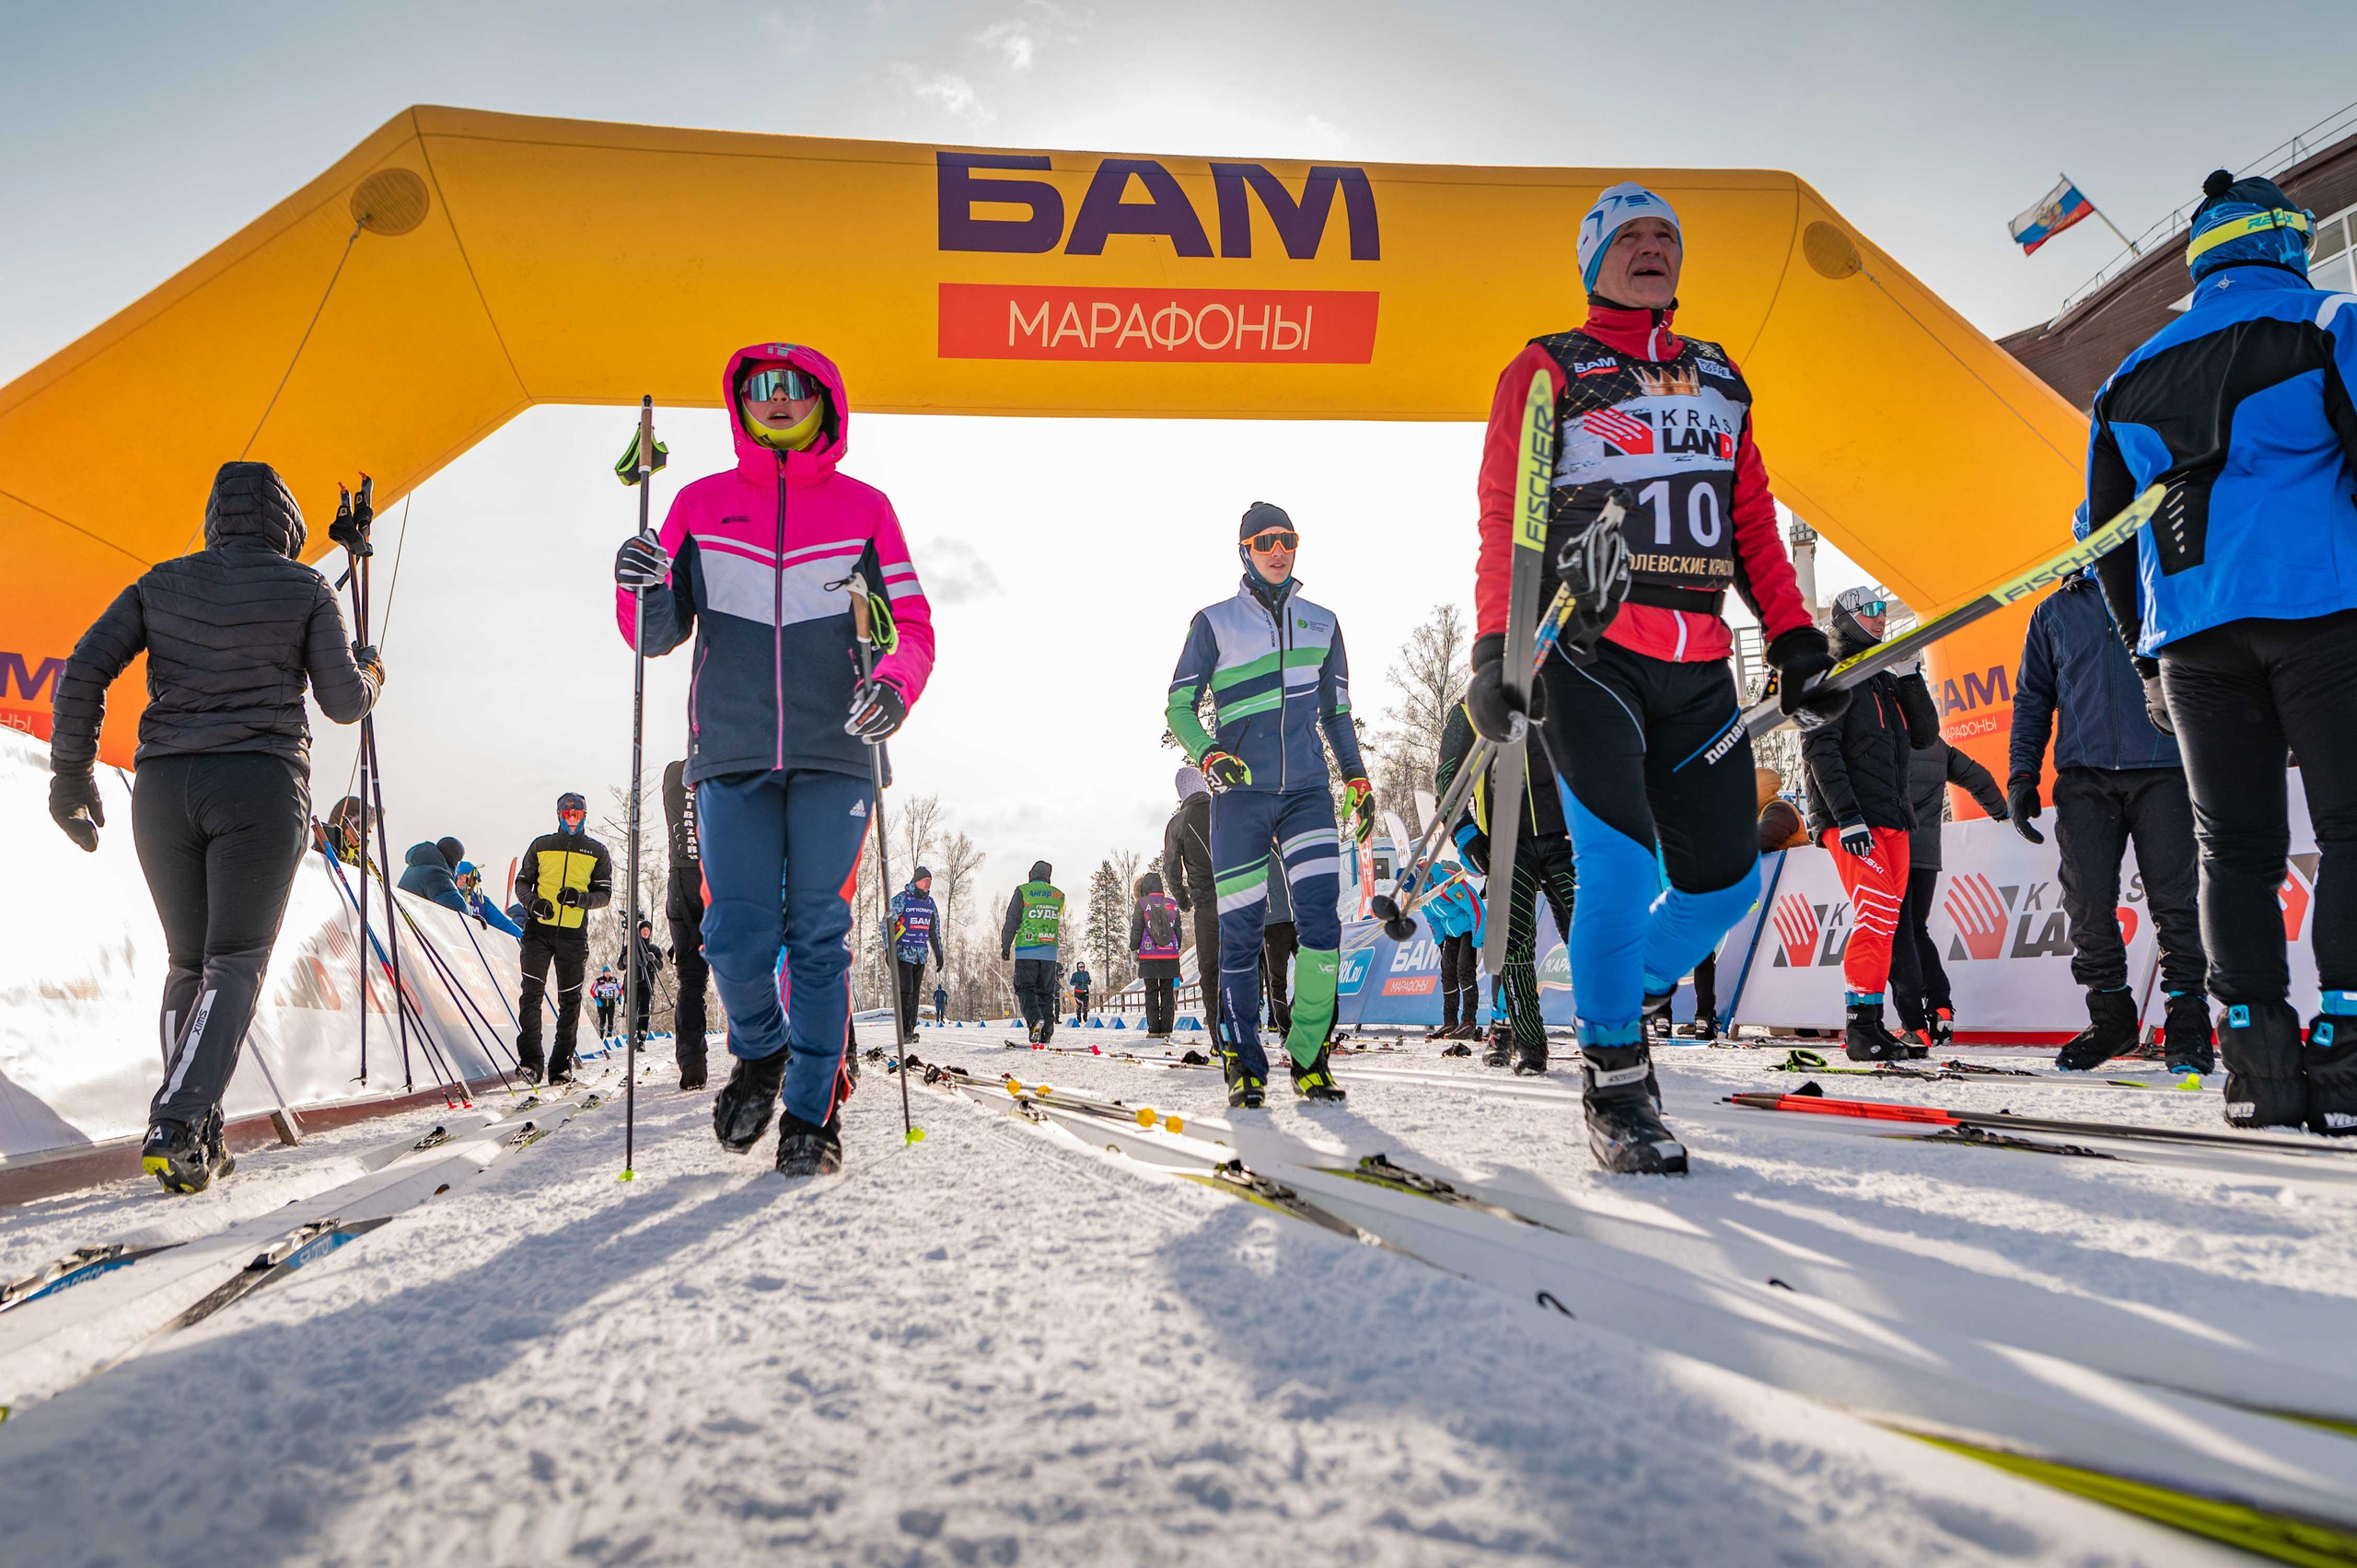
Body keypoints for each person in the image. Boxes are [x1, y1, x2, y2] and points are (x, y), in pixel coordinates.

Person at [1467, 182, 1840, 1171]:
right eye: (1627, 235)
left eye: (1665, 235)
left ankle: (1622, 985)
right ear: (1592, 258)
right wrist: (1490, 652)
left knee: (1723, 887)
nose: (1649, 248)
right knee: (1622, 872)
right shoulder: (1548, 366)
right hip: (1586, 651)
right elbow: (1506, 512)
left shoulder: (1720, 375)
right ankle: (1616, 1079)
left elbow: (1751, 517)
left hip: (1700, 657)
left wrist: (1795, 633)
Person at [616, 342, 935, 1174]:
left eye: (798, 386)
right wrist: (637, 582)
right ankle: (761, 1052)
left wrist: (895, 687)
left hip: (838, 753)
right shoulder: (696, 502)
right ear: (740, 401)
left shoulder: (866, 509)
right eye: (763, 386)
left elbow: (913, 624)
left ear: (826, 399)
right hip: (729, 753)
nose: (781, 398)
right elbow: (654, 634)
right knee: (731, 936)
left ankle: (810, 1118)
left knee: (819, 937)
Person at [2085, 168, 2357, 1132]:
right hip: (2326, 609)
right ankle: (2349, 1051)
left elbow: (2102, 540)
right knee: (2349, 828)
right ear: (2290, 239)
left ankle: (2255, 1061)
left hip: (2193, 640)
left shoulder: (2123, 376)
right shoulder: (2328, 320)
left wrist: (2147, 661)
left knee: (2232, 848)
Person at [45, 460, 381, 1193]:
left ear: (214, 516)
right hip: (258, 783)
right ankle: (176, 1118)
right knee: (234, 962)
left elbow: (84, 667)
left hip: (164, 787)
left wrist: (71, 774)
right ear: (285, 525)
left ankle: (195, 1132)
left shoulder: (160, 581)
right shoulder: (306, 588)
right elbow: (344, 703)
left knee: (188, 965)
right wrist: (371, 671)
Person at [1165, 502, 1371, 1107]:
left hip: (1307, 792)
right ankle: (1243, 1060)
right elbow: (1178, 706)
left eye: (1287, 539)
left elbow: (1335, 713)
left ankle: (1310, 1055)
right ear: (1245, 552)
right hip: (1242, 797)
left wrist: (1356, 778)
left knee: (1321, 927)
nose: (1278, 550)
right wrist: (1208, 754)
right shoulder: (1214, 622)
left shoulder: (1323, 623)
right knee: (1240, 932)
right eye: (1264, 542)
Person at [2010, 510, 2209, 1074]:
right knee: (2089, 902)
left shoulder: (2163, 596)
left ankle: (2188, 1022)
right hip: (2084, 779)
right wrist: (2022, 775)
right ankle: (2112, 1015)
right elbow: (2031, 701)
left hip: (2164, 769)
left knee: (2176, 903)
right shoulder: (2053, 611)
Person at [1798, 589, 1940, 1061]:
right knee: (1875, 914)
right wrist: (1848, 818)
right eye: (1870, 611)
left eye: (1883, 611)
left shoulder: (1880, 675)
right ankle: (1860, 1028)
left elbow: (1925, 736)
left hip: (1892, 818)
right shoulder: (1829, 672)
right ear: (1844, 618)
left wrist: (1909, 677)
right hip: (1853, 819)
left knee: (1887, 923)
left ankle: (1873, 1025)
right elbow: (1820, 750)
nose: (1880, 619)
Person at [1438, 696, 1576, 1073]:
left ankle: (1615, 1036)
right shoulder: (1472, 703)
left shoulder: (1560, 682)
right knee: (1512, 943)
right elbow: (1448, 778)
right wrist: (1465, 833)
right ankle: (1524, 1040)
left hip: (1567, 834)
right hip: (1505, 840)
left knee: (1589, 936)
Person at [1895, 736, 2006, 1051]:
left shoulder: (1886, 737)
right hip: (1927, 856)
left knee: (1898, 937)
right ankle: (1941, 1007)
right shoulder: (1936, 746)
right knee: (1917, 931)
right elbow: (1979, 777)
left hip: (1891, 852)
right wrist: (2000, 811)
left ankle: (1913, 1024)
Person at [512, 792, 614, 1085]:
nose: (571, 818)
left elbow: (604, 895)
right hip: (538, 932)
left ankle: (560, 1067)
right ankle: (531, 1063)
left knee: (570, 1000)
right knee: (531, 996)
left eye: (577, 814)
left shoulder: (597, 851)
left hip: (572, 935)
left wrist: (581, 899)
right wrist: (533, 904)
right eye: (567, 814)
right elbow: (522, 883)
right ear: (558, 815)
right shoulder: (541, 845)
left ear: (584, 816)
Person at [660, 759, 713, 1089]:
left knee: (691, 980)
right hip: (717, 880)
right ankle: (754, 1055)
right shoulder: (721, 766)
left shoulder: (672, 774)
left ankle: (692, 1062)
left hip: (680, 886)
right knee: (740, 972)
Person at [1162, 766, 1220, 1039]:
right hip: (1239, 897)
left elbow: (1172, 869)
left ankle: (1218, 1033)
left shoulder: (1178, 822)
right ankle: (1248, 1023)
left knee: (1209, 968)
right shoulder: (1226, 807)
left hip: (1207, 904)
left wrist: (1183, 900)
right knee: (1244, 961)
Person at [1419, 861, 1485, 1041]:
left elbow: (1476, 908)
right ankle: (1450, 1022)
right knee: (1448, 974)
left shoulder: (1447, 881)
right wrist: (1441, 944)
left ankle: (1468, 1022)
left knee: (1464, 971)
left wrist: (1478, 939)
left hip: (1470, 929)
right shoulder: (1423, 894)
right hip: (1452, 933)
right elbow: (1433, 921)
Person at [1000, 864, 1065, 1043]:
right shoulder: (1058, 895)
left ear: (1031, 874)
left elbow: (1012, 919)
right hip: (1050, 951)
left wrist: (1006, 945)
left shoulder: (1023, 891)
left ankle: (1035, 1019)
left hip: (1027, 949)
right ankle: (1046, 1033)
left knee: (1025, 988)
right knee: (1046, 993)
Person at [888, 866, 944, 1045]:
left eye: (930, 880)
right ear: (916, 881)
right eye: (925, 880)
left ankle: (910, 1030)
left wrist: (939, 953)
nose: (928, 883)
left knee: (915, 993)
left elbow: (934, 930)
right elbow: (886, 923)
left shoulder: (930, 903)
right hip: (902, 953)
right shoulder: (902, 899)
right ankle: (903, 1031)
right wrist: (888, 949)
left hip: (920, 954)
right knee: (906, 990)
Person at [1132, 870, 1185, 1038]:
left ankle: (1154, 1029)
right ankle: (1167, 1029)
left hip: (1148, 956)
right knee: (1168, 991)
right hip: (1169, 955)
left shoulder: (1141, 903)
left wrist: (1134, 949)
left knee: (1151, 991)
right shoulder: (1172, 903)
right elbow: (1178, 930)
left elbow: (1137, 929)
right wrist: (1175, 949)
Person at [1257, 842, 1297, 1036]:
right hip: (1274, 925)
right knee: (1277, 981)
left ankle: (1293, 1014)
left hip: (1299, 921)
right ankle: (1285, 1030)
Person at [397, 836, 468, 913]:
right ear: (455, 861)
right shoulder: (436, 873)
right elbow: (457, 905)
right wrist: (471, 911)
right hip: (412, 920)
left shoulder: (418, 864)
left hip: (402, 917)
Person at [454, 861, 524, 937]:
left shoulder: (482, 902)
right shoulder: (449, 897)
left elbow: (502, 923)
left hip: (476, 943)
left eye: (468, 877)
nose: (464, 881)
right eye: (460, 877)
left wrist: (523, 938)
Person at [592, 965, 621, 1039]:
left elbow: (621, 989)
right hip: (602, 1004)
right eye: (606, 972)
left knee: (610, 1020)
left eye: (609, 972)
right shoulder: (598, 981)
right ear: (603, 973)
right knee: (602, 1020)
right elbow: (591, 991)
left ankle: (609, 1035)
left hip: (611, 1003)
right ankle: (601, 1035)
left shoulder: (615, 980)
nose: (608, 974)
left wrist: (620, 996)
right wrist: (597, 999)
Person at [1070, 959, 1093, 1024]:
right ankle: (1079, 1019)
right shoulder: (1075, 974)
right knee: (1079, 1006)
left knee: (1085, 1005)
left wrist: (1089, 981)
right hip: (1078, 992)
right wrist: (1077, 983)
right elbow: (1071, 982)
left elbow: (1089, 979)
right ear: (1078, 968)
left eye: (1083, 967)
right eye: (1080, 967)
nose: (1082, 968)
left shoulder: (1086, 973)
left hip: (1085, 991)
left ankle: (1085, 1018)